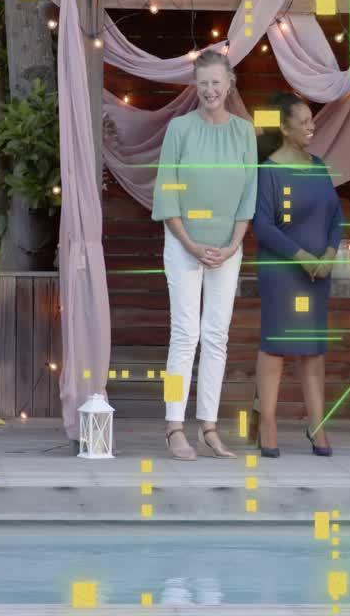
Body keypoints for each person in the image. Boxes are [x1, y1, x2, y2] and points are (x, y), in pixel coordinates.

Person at [151, 49, 258, 461]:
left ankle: (209, 426)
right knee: (185, 334)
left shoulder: (245, 132)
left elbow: (249, 194)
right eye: (203, 83)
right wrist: (191, 244)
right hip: (183, 245)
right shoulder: (179, 129)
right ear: (195, 86)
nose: (210, 90)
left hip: (227, 248)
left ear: (229, 84)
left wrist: (232, 245)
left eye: (216, 82)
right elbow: (167, 191)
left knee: (217, 336)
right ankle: (174, 426)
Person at [249, 93, 342, 458]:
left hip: (319, 274)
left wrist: (330, 254)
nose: (311, 126)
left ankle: (317, 424)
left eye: (311, 120)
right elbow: (263, 226)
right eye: (303, 122)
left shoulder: (318, 166)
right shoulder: (268, 171)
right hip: (282, 274)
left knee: (313, 350)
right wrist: (302, 256)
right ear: (285, 128)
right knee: (276, 346)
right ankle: (267, 422)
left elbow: (336, 216)